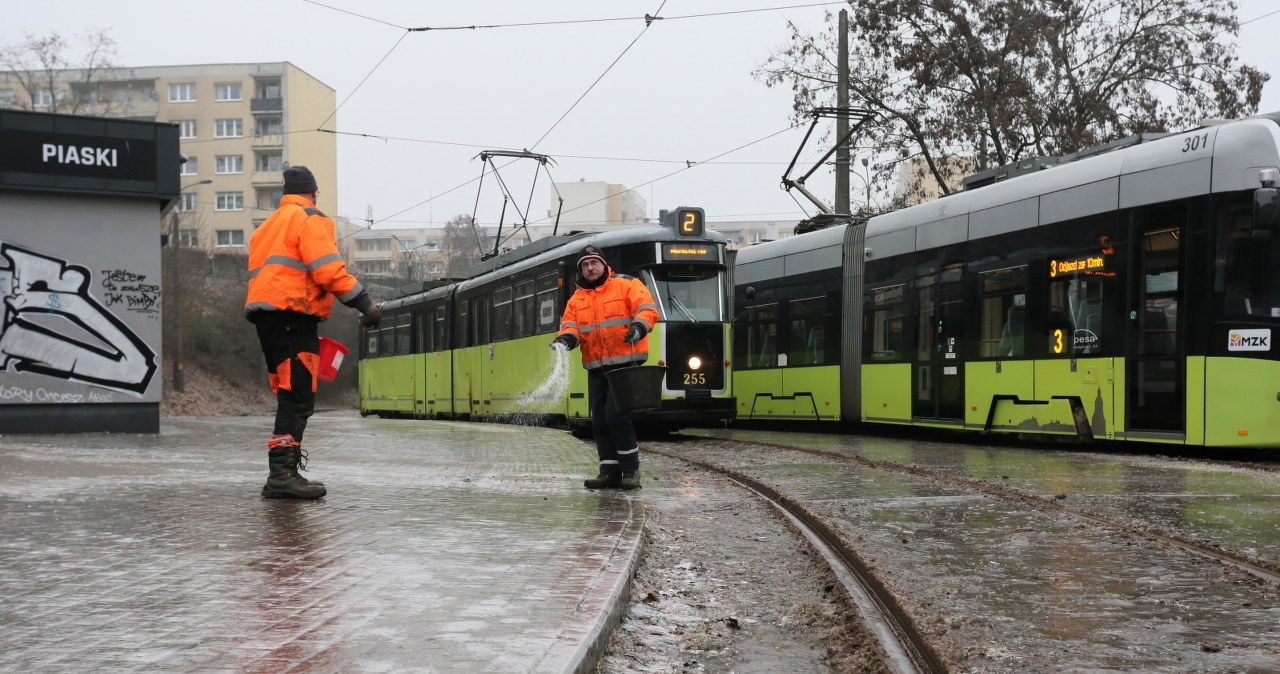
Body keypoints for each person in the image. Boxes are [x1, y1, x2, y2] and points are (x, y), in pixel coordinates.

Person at [244, 165, 380, 499]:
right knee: (298, 397)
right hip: (293, 316)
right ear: (314, 192)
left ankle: (282, 473)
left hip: (267, 319)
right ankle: (282, 477)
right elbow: (327, 270)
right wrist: (365, 305)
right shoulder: (310, 218)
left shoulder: (266, 227)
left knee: (288, 395)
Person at [552, 245, 659, 490]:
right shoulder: (576, 299)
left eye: (594, 263)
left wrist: (639, 327)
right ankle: (609, 471)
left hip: (625, 363)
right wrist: (566, 339)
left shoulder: (626, 284)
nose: (590, 268)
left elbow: (647, 309)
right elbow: (570, 326)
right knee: (599, 419)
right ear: (581, 270)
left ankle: (631, 470)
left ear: (603, 264)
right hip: (596, 367)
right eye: (585, 265)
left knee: (615, 415)